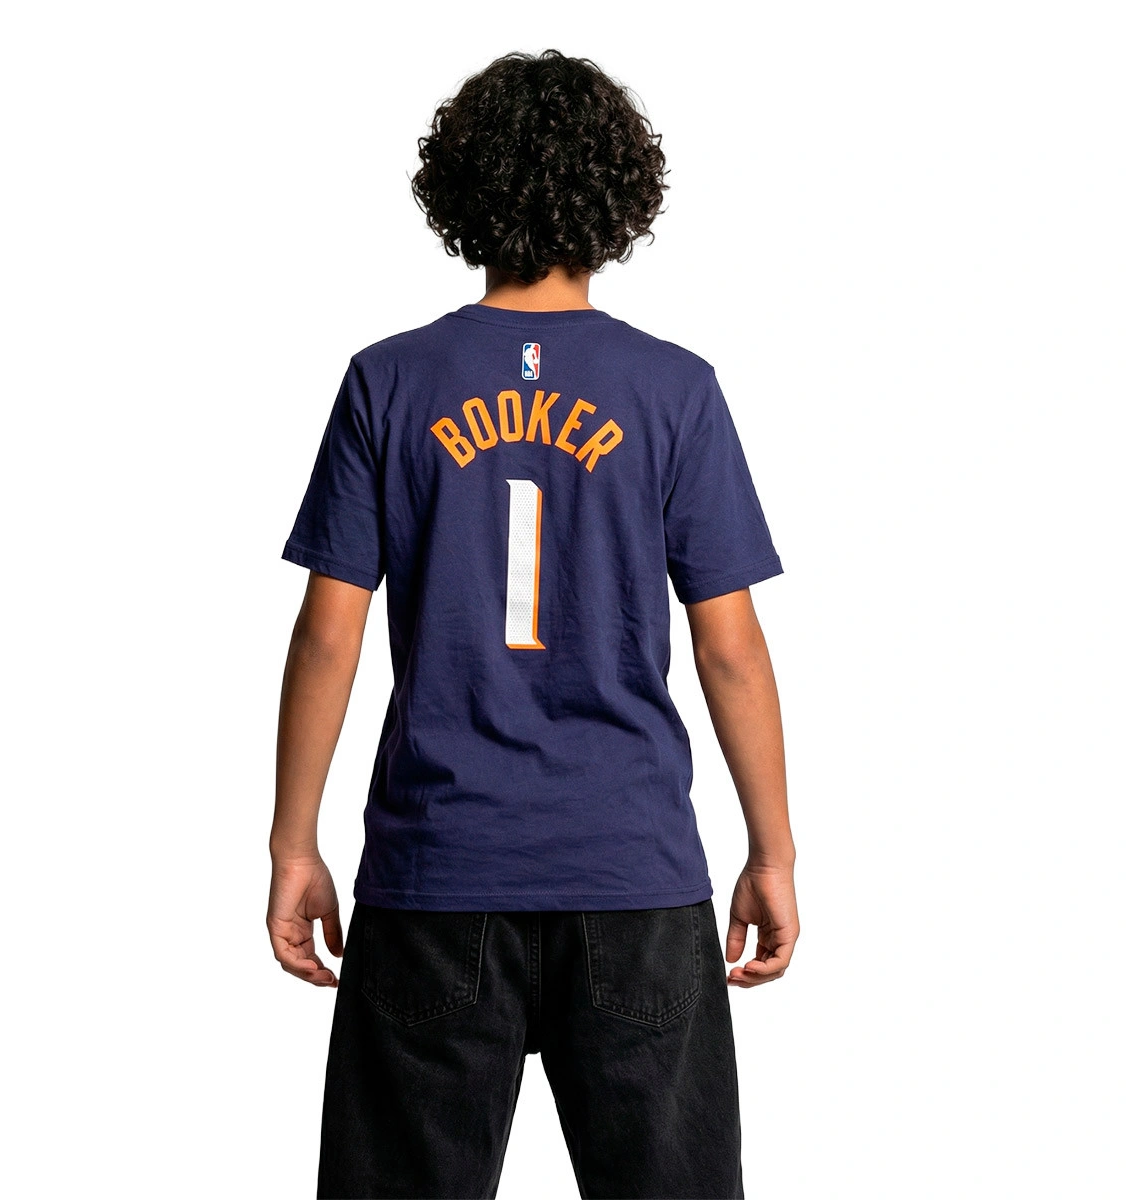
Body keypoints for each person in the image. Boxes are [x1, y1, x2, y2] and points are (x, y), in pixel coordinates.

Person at [268, 48, 799, 1200]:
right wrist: (773, 853)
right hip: (634, 873)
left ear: (459, 188)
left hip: (436, 872)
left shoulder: (391, 381)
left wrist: (292, 843)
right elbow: (730, 647)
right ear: (619, 194)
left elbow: (328, 635)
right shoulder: (673, 390)